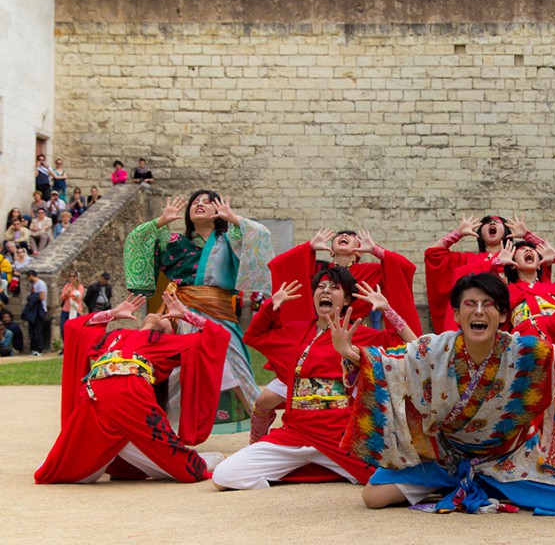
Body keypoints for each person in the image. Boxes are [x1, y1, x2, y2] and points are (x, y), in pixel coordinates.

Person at [336, 273, 555, 515]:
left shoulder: (525, 351)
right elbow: (390, 363)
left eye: (488, 304)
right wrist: (351, 354)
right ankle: (469, 482)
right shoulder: (434, 348)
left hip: (508, 458)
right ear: (456, 313)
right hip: (446, 458)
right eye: (470, 304)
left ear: (502, 315)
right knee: (373, 497)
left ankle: (486, 483)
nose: (478, 311)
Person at [212, 269, 417, 490]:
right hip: (294, 434)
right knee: (225, 476)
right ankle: (316, 468)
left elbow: (414, 346)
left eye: (334, 287)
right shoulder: (296, 332)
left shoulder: (360, 333)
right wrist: (272, 305)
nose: (326, 290)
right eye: (321, 286)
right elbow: (254, 336)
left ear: (347, 300)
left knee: (398, 479)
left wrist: (388, 310)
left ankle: (323, 466)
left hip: (340, 436)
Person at [248, 227, 423, 443]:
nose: (344, 236)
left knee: (357, 403)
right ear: (330, 250)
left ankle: (348, 442)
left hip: (352, 340)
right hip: (314, 339)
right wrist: (307, 248)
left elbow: (404, 269)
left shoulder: (371, 270)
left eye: (351, 236)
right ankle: (256, 443)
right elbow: (282, 266)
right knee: (265, 398)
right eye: (339, 236)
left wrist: (377, 250)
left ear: (359, 251)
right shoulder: (320, 268)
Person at [34, 292, 229, 484]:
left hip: (131, 392)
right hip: (94, 394)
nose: (159, 314)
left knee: (188, 467)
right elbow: (74, 326)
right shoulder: (117, 336)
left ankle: (206, 460)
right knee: (57, 470)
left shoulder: (167, 343)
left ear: (169, 332)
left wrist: (184, 314)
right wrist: (113, 313)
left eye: (169, 320)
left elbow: (219, 336)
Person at [124, 193, 273, 434]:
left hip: (218, 312)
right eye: (195, 202)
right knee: (176, 373)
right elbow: (137, 239)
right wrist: (160, 222)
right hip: (178, 311)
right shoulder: (173, 241)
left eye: (206, 201)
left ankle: (261, 430)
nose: (200, 204)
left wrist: (233, 218)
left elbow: (260, 235)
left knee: (236, 369)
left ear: (218, 210)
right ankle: (165, 429)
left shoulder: (230, 239)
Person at [425, 215, 522, 333]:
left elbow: (543, 264)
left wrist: (528, 235)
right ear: (480, 233)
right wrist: (457, 233)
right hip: (474, 318)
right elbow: (433, 255)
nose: (492, 224)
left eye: (496, 222)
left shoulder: (518, 257)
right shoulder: (467, 259)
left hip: (509, 322)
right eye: (487, 223)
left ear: (506, 231)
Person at [22, 270, 49, 355]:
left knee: (38, 330)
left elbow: (41, 296)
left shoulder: (41, 284)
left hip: (39, 310)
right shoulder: (34, 284)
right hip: (33, 310)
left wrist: (33, 297)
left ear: (31, 275)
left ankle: (39, 349)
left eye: (28, 277)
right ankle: (34, 348)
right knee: (32, 330)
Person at [59, 271, 86, 343]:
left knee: (74, 330)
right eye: (70, 276)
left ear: (76, 277)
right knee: (63, 329)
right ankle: (66, 346)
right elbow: (62, 297)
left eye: (73, 276)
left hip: (75, 310)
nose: (71, 278)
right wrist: (67, 294)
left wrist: (70, 293)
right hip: (66, 310)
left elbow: (78, 298)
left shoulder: (80, 287)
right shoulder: (67, 286)